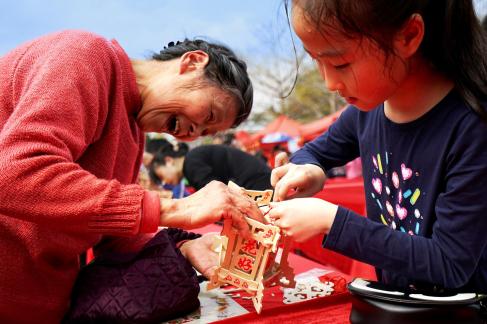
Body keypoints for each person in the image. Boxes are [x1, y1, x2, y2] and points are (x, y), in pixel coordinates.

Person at [0, 30, 263, 322]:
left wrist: (184, 246)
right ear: (192, 62)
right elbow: (13, 173)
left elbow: (112, 230)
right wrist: (175, 208)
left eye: (206, 133)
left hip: (41, 306)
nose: (193, 134)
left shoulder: (134, 132)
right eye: (210, 115)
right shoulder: (85, 55)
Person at [269, 0, 487, 293]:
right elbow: (316, 152)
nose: (329, 82)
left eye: (339, 63)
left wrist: (332, 222)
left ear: (409, 35)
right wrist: (309, 169)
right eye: (315, 61)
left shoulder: (472, 127)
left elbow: (451, 263)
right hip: (399, 305)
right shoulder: (365, 113)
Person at [183, 144, 273, 191]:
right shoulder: (193, 157)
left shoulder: (190, 163)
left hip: (256, 181)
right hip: (258, 177)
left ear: (169, 160)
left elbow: (213, 191)